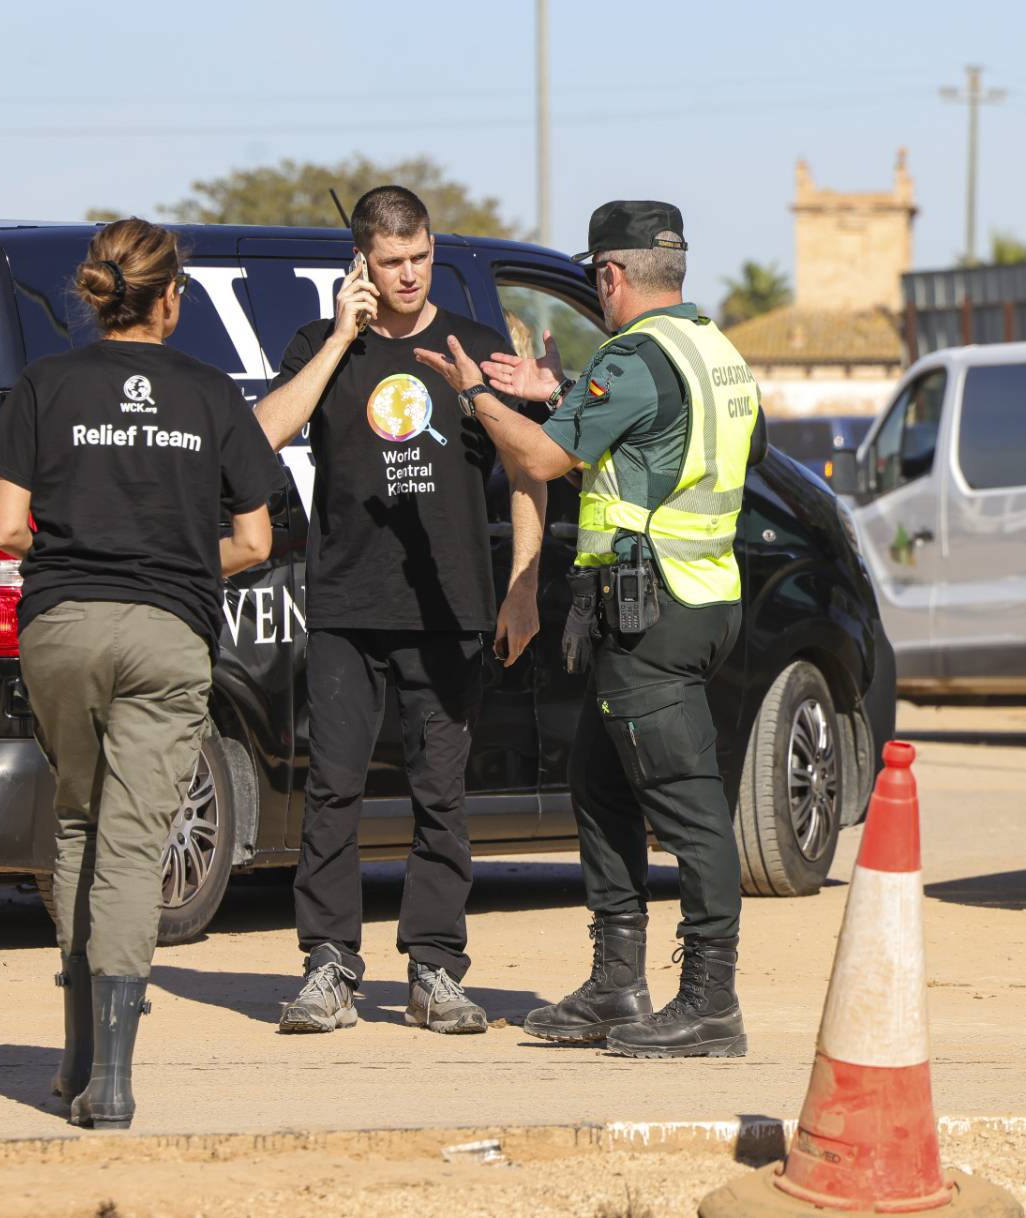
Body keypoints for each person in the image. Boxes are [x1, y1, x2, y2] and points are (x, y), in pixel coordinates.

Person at [416, 200, 766, 1059]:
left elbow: (538, 461)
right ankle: (617, 983)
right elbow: (662, 440)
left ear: (609, 277)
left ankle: (711, 1002)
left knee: (687, 807)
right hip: (698, 595)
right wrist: (564, 393)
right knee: (601, 786)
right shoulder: (711, 349)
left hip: (658, 614)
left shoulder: (635, 357)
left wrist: (477, 395)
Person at [0, 218, 282, 1126]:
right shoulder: (210, 393)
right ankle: (112, 1078)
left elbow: (5, 528)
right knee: (136, 843)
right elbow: (255, 542)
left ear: (98, 294)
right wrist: (177, 555)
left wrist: (80, 544)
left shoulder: (46, 384)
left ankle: (74, 1060)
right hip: (167, 633)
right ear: (172, 298)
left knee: (77, 819)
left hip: (62, 627)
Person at [255, 186, 545, 1035]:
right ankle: (330, 966)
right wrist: (342, 335)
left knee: (441, 795)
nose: (409, 274)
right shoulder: (322, 345)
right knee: (334, 792)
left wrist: (523, 582)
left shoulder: (478, 347)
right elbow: (264, 432)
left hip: (452, 606)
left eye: (419, 257)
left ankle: (433, 970)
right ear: (361, 264)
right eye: (390, 263)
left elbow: (529, 470)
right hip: (347, 604)